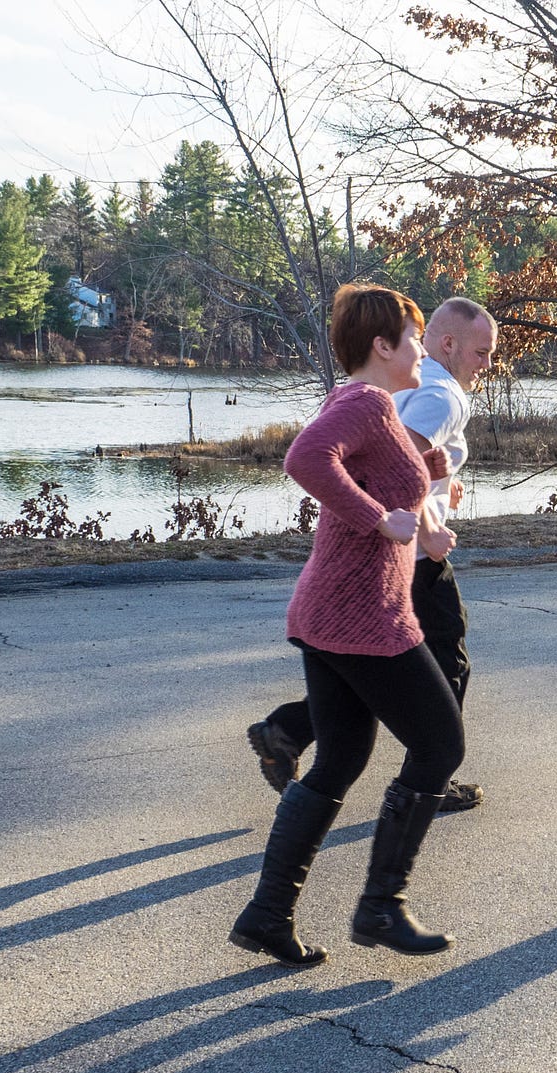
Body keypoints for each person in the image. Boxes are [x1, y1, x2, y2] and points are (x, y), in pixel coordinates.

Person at [230, 284, 463, 968]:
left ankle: (267, 916)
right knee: (439, 745)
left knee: (339, 758)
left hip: (330, 611)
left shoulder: (372, 408)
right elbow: (305, 460)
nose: (421, 349)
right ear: (383, 347)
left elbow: (377, 475)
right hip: (364, 615)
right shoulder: (363, 401)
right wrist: (379, 518)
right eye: (414, 339)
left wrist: (425, 488)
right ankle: (379, 907)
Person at [247, 297, 498, 813]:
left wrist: (438, 481)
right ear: (447, 344)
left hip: (385, 551)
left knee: (368, 681)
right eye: (482, 352)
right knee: (443, 662)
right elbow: (392, 457)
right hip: (404, 554)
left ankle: (289, 729)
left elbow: (395, 460)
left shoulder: (400, 384)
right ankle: (429, 774)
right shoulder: (443, 394)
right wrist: (419, 522)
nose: (488, 366)